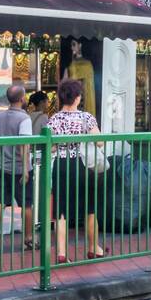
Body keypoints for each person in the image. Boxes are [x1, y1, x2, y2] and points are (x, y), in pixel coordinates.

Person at [48, 79, 107, 262]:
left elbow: (51, 148)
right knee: (90, 209)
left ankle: (62, 253)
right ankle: (93, 248)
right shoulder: (86, 118)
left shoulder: (54, 119)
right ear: (77, 98)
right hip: (81, 165)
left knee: (61, 213)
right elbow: (100, 142)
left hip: (62, 165)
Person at [0, 85, 35, 256]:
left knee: (0, 202)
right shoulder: (25, 119)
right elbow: (24, 146)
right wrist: (26, 170)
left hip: (2, 166)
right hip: (19, 169)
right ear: (22, 99)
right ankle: (28, 239)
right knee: (27, 204)